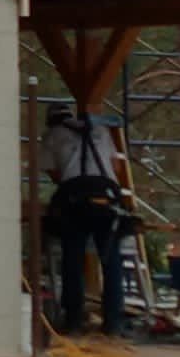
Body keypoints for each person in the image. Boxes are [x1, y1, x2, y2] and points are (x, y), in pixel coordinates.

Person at [44, 103, 130, 337]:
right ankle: (113, 323)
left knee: (73, 260)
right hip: (108, 197)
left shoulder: (53, 135)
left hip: (75, 200)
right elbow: (116, 166)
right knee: (111, 261)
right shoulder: (99, 130)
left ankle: (73, 321)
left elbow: (54, 174)